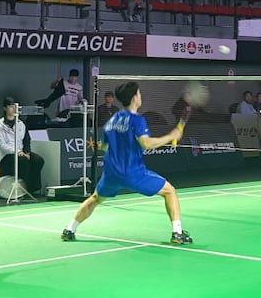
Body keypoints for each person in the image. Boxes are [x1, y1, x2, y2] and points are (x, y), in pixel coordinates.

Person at [60, 82, 192, 244]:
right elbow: (146, 144)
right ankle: (177, 233)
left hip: (111, 173)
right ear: (134, 97)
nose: (140, 96)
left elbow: (104, 146)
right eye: (139, 93)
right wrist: (171, 136)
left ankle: (69, 229)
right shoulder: (137, 120)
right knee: (170, 191)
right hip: (133, 172)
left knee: (95, 198)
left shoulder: (112, 121)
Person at [0, 97, 45, 194]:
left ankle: (32, 188)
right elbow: (1, 145)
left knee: (38, 160)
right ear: (5, 108)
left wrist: (27, 152)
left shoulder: (21, 123)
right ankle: (21, 190)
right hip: (7, 155)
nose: (13, 109)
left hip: (21, 152)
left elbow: (26, 140)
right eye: (11, 106)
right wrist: (17, 152)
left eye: (15, 106)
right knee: (23, 161)